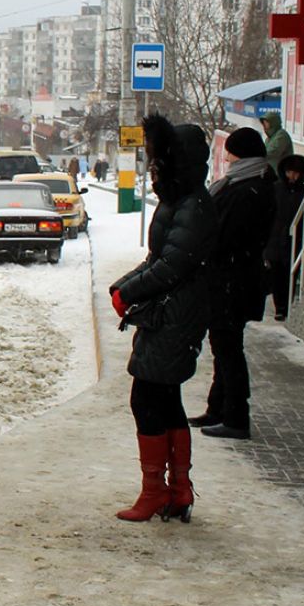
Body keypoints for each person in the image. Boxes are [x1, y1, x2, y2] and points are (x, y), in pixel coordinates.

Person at [110, 114, 218, 523]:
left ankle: (157, 491)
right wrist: (123, 286)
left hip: (177, 315)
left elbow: (173, 264)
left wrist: (130, 291)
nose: (153, 168)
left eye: (159, 161)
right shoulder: (182, 200)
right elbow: (158, 258)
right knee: (165, 400)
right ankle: (177, 491)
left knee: (148, 399)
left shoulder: (194, 206)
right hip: (170, 312)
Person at [188, 127, 276, 440]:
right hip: (231, 279)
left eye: (231, 151)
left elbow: (228, 237)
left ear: (240, 154)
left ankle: (236, 418)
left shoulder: (249, 190)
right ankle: (219, 408)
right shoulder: (247, 184)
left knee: (229, 350)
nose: (226, 156)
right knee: (223, 346)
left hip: (233, 281)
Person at [264, 155, 304, 321]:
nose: (292, 176)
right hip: (275, 238)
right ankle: (280, 307)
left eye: (296, 173)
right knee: (276, 274)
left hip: (295, 240)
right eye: (289, 172)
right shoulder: (276, 189)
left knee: (291, 273)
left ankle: (288, 304)